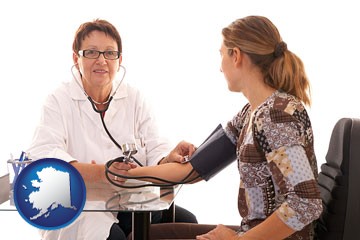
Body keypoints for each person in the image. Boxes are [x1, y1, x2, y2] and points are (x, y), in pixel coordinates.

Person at [126, 15, 323, 240]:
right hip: (249, 233)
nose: (220, 68)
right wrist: (132, 173)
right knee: (144, 235)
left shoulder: (277, 115)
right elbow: (192, 170)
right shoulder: (250, 113)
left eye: (221, 54)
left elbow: (305, 204)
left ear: (236, 56)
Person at [26, 18, 197, 240]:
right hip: (80, 205)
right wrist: (102, 173)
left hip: (128, 201)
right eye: (91, 52)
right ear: (76, 58)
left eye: (109, 53)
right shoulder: (58, 100)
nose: (101, 61)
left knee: (186, 222)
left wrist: (167, 159)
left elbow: (156, 147)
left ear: (119, 59)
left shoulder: (134, 98)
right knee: (110, 235)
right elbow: (43, 155)